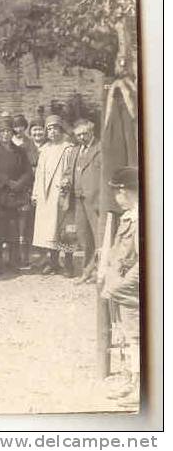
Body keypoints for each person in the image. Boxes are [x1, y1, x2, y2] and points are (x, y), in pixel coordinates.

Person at [99, 167, 139, 405]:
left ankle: (142, 388)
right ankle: (132, 380)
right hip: (122, 292)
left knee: (138, 338)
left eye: (117, 193)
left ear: (125, 191)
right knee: (128, 336)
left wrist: (120, 286)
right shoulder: (129, 216)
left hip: (131, 293)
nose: (116, 198)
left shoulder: (141, 219)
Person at [0, 117, 34, 271]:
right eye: (3, 131)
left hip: (16, 195)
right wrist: (7, 182)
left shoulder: (20, 151)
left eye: (9, 131)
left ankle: (14, 260)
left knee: (14, 230)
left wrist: (19, 184)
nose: (6, 134)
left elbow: (28, 172)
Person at [31, 115, 77, 276]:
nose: (51, 132)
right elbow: (39, 173)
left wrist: (67, 188)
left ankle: (69, 263)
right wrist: (36, 193)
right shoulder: (44, 149)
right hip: (46, 194)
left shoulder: (68, 148)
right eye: (49, 129)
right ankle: (53, 261)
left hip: (62, 193)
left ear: (61, 129)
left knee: (64, 228)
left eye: (54, 128)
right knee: (49, 229)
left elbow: (71, 171)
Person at [71, 119, 102, 283]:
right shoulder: (76, 150)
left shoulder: (101, 149)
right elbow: (72, 171)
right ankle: (87, 271)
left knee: (99, 237)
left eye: (85, 133)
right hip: (79, 200)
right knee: (84, 237)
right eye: (78, 135)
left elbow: (106, 176)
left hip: (95, 201)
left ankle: (99, 272)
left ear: (92, 132)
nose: (82, 137)